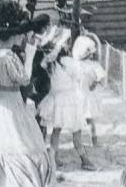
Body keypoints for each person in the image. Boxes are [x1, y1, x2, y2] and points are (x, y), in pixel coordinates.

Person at [0, 0, 54, 187]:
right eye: (20, 32)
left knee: (2, 149)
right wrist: (30, 54)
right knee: (24, 146)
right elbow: (24, 79)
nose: (23, 36)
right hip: (12, 105)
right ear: (12, 34)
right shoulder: (9, 57)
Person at [38, 33, 97, 171]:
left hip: (58, 99)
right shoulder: (67, 62)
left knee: (56, 131)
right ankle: (84, 160)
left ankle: (53, 159)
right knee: (76, 131)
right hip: (69, 100)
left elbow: (45, 62)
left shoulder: (49, 64)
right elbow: (79, 76)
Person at [73, 35, 106, 147]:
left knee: (81, 119)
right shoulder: (93, 65)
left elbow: (100, 76)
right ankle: (93, 141)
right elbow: (101, 76)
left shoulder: (77, 65)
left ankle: (81, 141)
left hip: (82, 94)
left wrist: (95, 82)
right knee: (90, 120)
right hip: (85, 94)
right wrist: (95, 82)